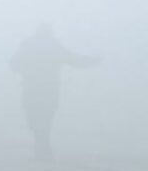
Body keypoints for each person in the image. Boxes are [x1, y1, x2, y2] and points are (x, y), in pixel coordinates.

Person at [10, 23, 100, 160]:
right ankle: (43, 144)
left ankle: (41, 144)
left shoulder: (30, 45)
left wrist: (23, 69)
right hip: (48, 89)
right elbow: (74, 59)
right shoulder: (52, 46)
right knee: (45, 118)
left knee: (36, 117)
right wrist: (92, 61)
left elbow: (14, 63)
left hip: (34, 89)